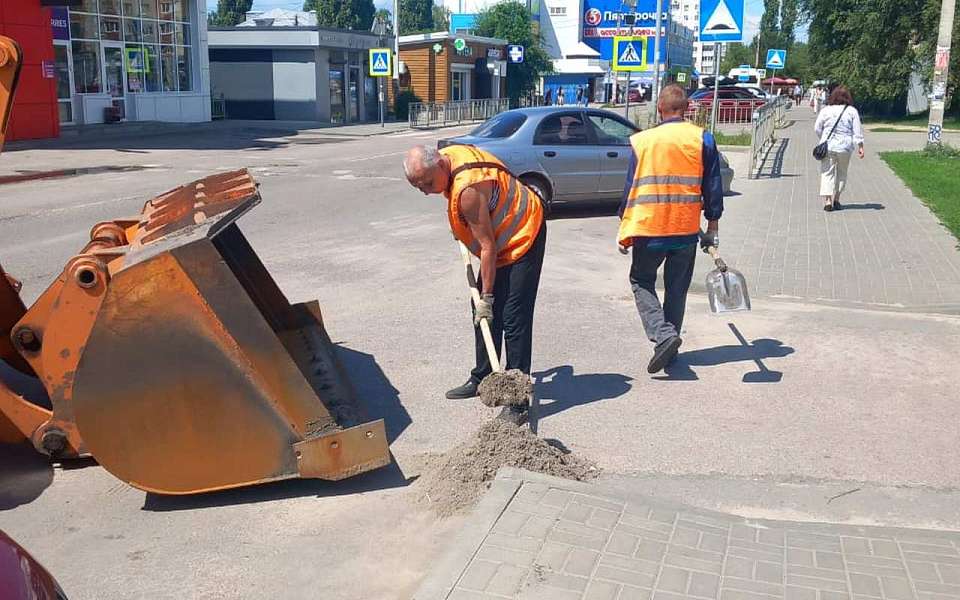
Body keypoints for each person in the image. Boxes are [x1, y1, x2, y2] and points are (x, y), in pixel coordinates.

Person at [402, 145, 546, 414]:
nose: (425, 191)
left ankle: (518, 399)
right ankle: (483, 377)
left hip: (525, 233)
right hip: (501, 235)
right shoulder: (449, 157)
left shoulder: (468, 191)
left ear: (441, 166)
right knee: (481, 313)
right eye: (419, 187)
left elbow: (488, 247)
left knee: (513, 316)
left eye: (428, 183)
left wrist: (488, 298)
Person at [617, 84, 724, 374]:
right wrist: (712, 225)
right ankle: (670, 346)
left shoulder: (643, 141)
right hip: (685, 230)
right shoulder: (702, 138)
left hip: (649, 227)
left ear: (659, 109)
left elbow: (631, 188)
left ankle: (664, 337)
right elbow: (713, 186)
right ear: (686, 109)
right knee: (677, 289)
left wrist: (624, 227)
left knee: (641, 281)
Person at [814, 85, 864, 212]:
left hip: (828, 146)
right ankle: (837, 198)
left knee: (827, 173)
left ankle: (827, 201)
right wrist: (860, 146)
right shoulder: (852, 111)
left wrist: (822, 139)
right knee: (842, 173)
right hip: (845, 147)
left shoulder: (826, 110)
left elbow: (817, 128)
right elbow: (857, 131)